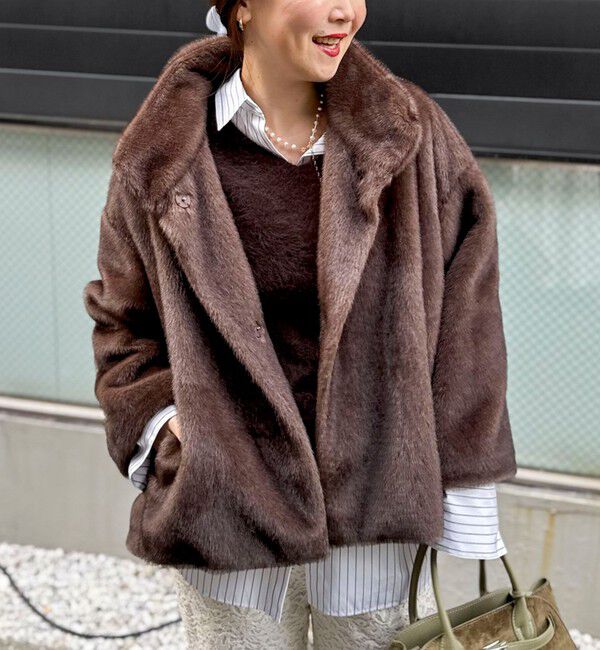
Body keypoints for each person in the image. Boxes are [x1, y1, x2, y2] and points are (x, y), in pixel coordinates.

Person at [83, 1, 518, 647]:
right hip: (228, 514)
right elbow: (123, 323)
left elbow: (469, 317)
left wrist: (465, 482)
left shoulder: (409, 134)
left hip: (375, 514)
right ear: (243, 8)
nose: (344, 11)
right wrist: (176, 432)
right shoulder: (164, 153)